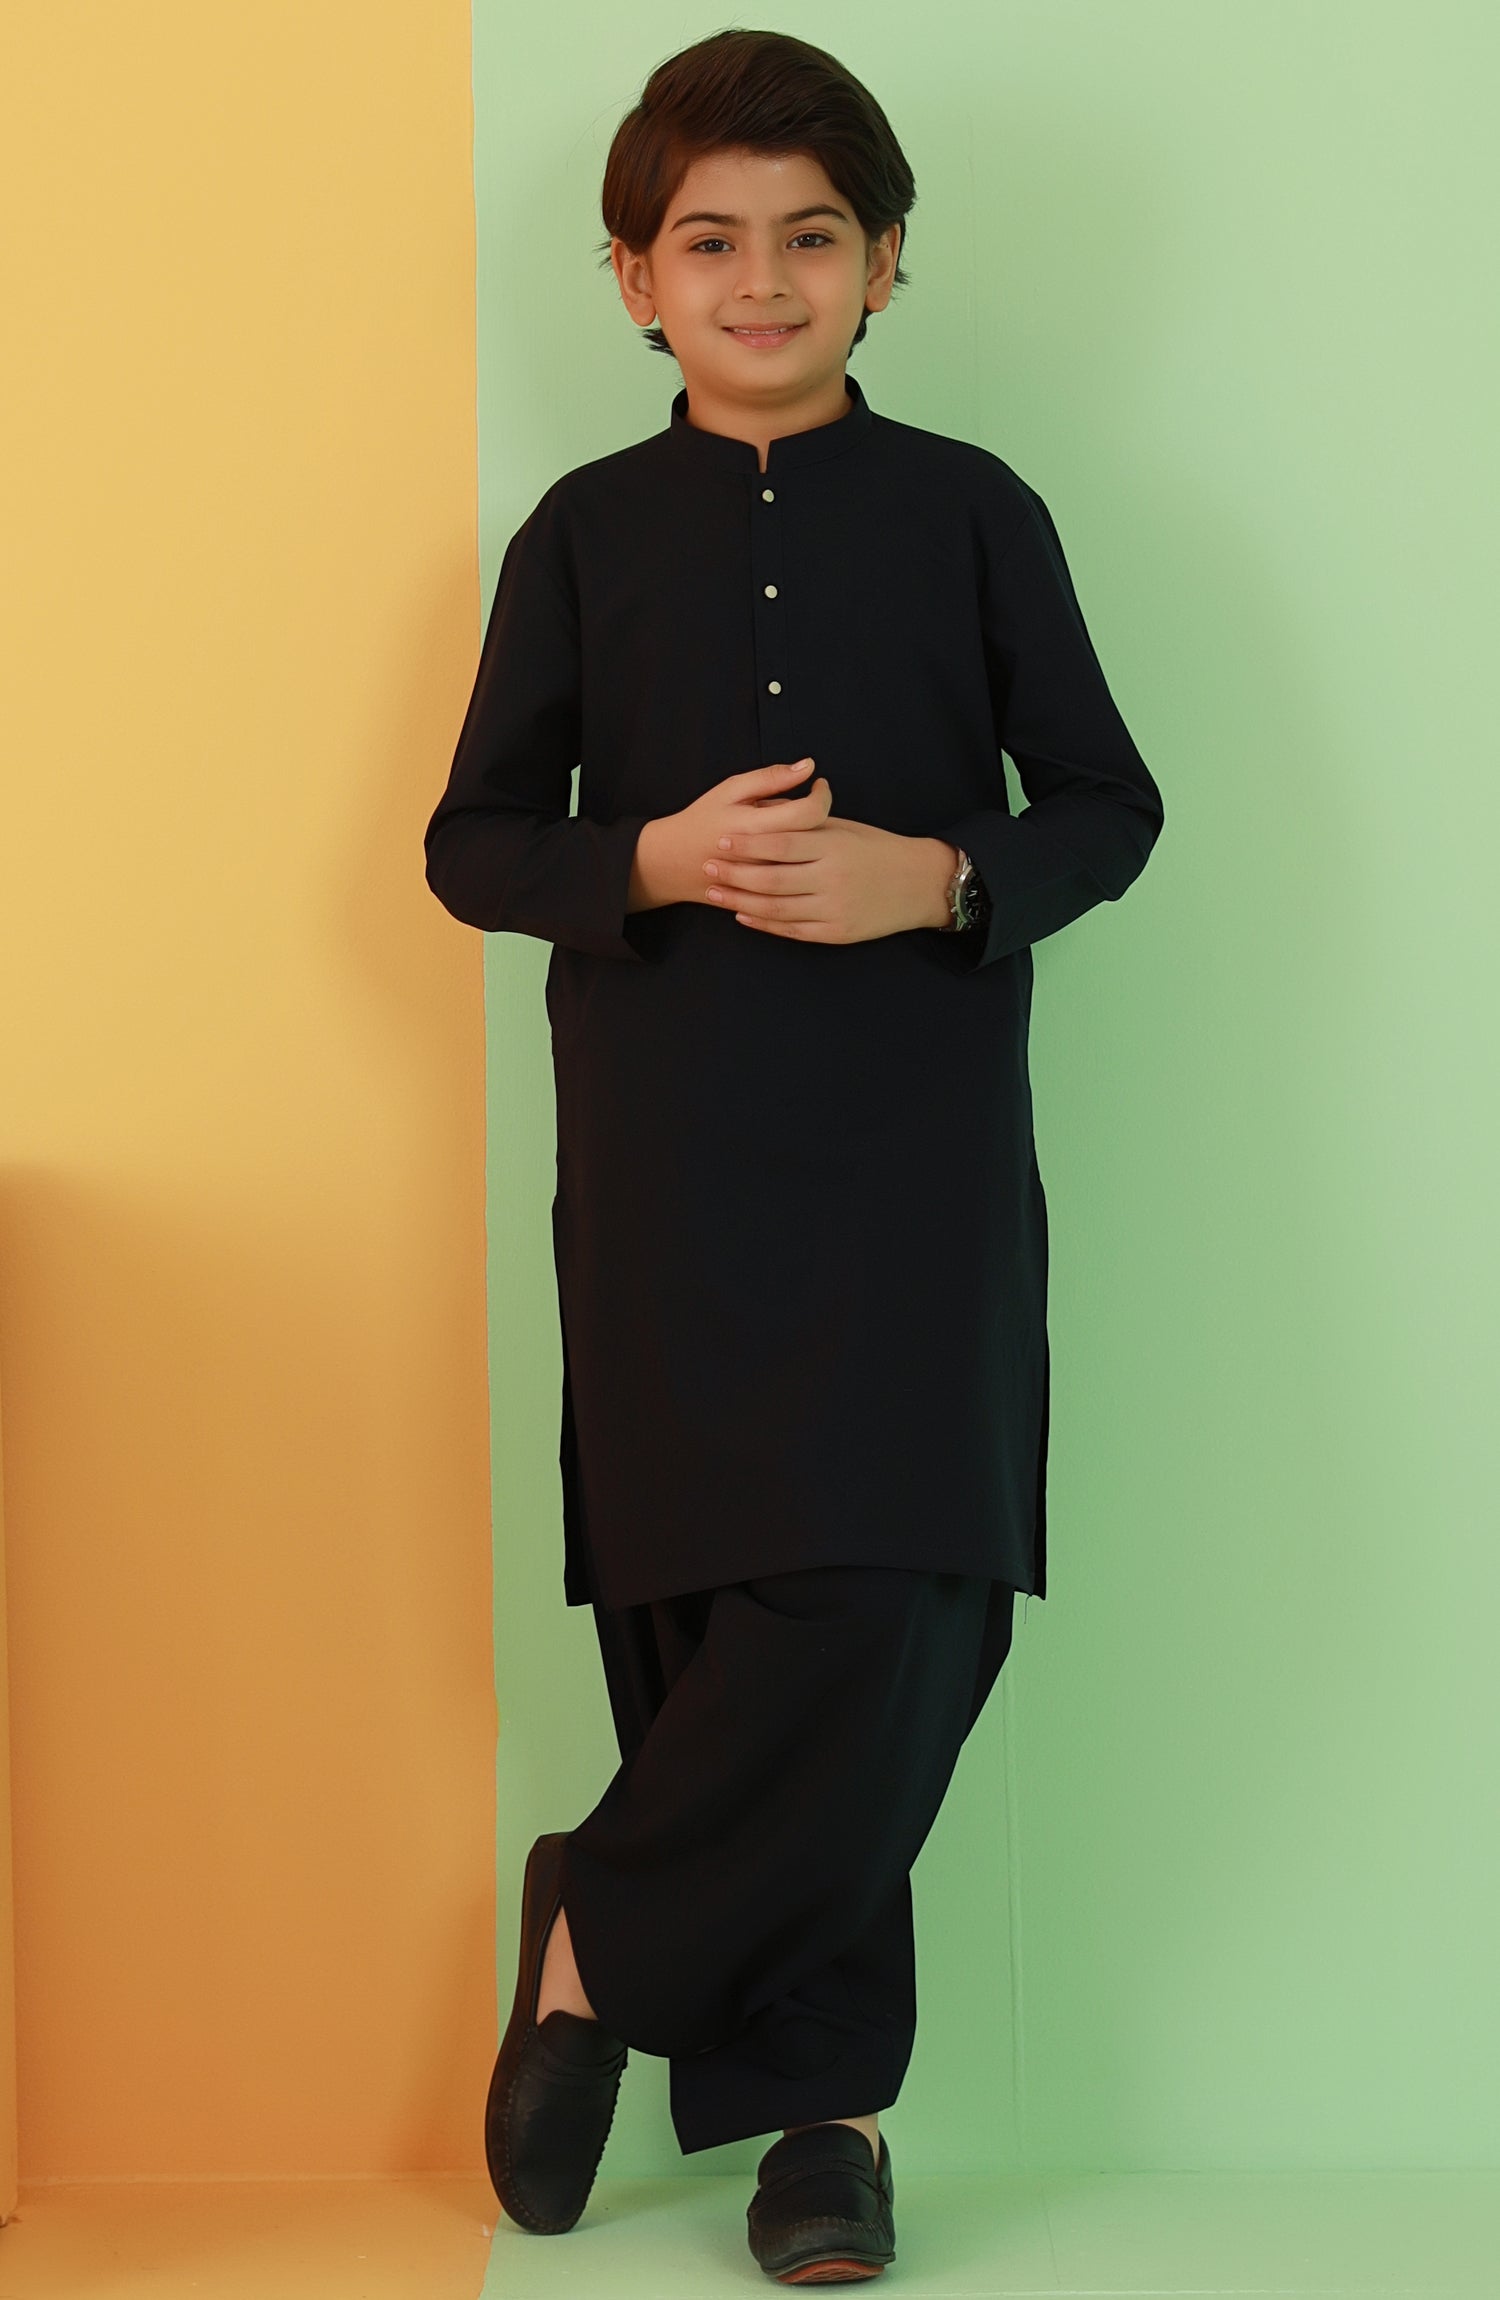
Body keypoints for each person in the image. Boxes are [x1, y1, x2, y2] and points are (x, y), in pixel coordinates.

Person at [423, 26, 1164, 2285]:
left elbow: (1107, 806)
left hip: (916, 1158)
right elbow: (474, 842)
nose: (763, 281)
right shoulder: (579, 536)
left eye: (812, 237)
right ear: (635, 279)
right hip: (669, 1157)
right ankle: (817, 2130)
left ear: (886, 262)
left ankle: (593, 1946)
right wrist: (649, 855)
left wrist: (935, 877)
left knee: (899, 1602)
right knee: (710, 1619)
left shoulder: (974, 511)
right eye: (711, 242)